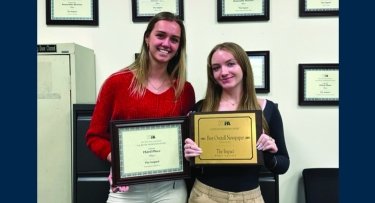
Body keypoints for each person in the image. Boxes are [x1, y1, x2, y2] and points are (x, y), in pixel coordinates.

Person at [85, 11, 196, 203]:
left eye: (174, 39)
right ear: (147, 38)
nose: (166, 44)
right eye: (160, 35)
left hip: (170, 188)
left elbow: (189, 139)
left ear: (179, 47)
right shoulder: (116, 83)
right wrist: (120, 161)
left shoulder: (184, 90)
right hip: (126, 188)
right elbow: (94, 136)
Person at [184, 42, 289, 203]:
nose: (223, 72)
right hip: (204, 196)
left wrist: (269, 154)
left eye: (230, 64)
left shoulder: (268, 109)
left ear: (244, 66)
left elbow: (283, 165)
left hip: (250, 198)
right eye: (216, 67)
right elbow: (192, 165)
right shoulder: (200, 109)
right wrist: (189, 156)